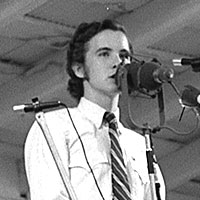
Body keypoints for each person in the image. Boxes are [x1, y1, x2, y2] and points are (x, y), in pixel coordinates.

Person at [24, 19, 166, 200]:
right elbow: (50, 195)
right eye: (104, 54)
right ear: (79, 69)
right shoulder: (55, 126)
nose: (117, 62)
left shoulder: (139, 144)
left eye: (124, 55)